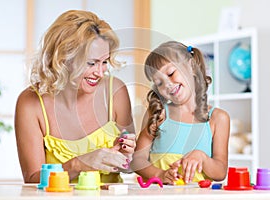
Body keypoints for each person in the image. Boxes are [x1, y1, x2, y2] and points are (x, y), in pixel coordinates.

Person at [14, 10, 135, 183]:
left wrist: (126, 158)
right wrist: (78, 164)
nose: (100, 72)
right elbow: (33, 179)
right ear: (63, 59)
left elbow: (131, 166)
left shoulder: (116, 91)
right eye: (91, 63)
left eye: (105, 62)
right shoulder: (31, 103)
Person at [131, 41, 230, 185]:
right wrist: (160, 174)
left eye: (171, 73)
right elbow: (137, 160)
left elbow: (220, 172)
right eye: (159, 83)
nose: (168, 84)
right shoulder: (158, 114)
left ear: (191, 66)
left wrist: (202, 157)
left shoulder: (218, 118)